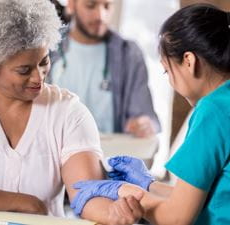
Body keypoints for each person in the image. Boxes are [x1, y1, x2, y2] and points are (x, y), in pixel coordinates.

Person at [0, 0, 144, 224]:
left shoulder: (67, 111)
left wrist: (113, 213)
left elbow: (87, 193)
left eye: (43, 61)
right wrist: (23, 203)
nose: (38, 77)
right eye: (24, 70)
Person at [68, 4, 230, 224]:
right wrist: (148, 184)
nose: (171, 81)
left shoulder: (212, 112)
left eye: (167, 70)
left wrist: (124, 192)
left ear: (189, 62)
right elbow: (197, 196)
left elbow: (176, 217)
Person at [48, 0, 160, 137]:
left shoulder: (128, 54)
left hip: (107, 154)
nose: (101, 16)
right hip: (56, 153)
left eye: (107, 6)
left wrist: (145, 125)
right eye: (91, 6)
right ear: (71, 4)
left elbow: (145, 115)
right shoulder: (47, 48)